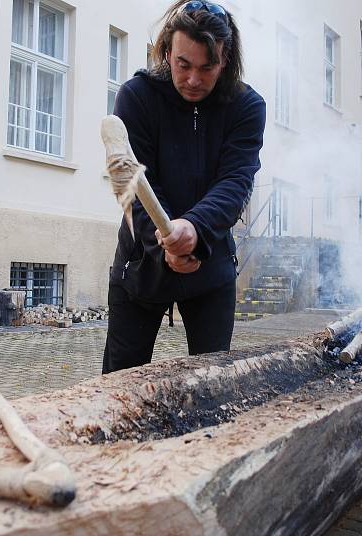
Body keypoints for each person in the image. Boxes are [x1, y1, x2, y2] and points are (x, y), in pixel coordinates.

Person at [102, 0, 266, 374]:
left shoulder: (247, 106)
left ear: (226, 60)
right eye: (183, 64)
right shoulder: (137, 97)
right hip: (140, 267)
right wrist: (165, 247)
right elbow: (131, 186)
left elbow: (236, 182)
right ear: (166, 52)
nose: (193, 79)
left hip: (211, 269)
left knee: (212, 386)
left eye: (207, 67)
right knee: (118, 384)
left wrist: (194, 229)